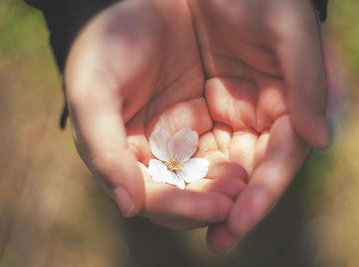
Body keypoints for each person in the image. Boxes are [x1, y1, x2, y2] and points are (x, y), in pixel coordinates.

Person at [26, 0, 329, 253]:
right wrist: (92, 9)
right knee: (133, 178)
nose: (171, 163)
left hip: (260, 59)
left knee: (289, 82)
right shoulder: (163, 158)